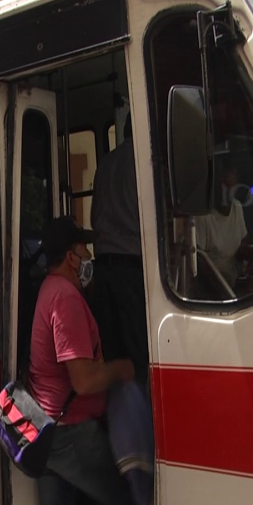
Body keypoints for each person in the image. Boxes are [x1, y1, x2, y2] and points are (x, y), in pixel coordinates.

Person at [29, 216, 138, 505]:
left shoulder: (51, 289)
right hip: (70, 434)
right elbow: (85, 380)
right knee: (126, 504)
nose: (89, 253)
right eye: (83, 247)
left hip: (49, 432)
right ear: (70, 256)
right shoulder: (65, 298)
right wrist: (123, 369)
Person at [91, 113, 150, 394]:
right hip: (132, 268)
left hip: (103, 268)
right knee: (139, 354)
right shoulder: (144, 160)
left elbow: (94, 217)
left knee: (113, 351)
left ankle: (118, 418)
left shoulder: (105, 164)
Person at [195, 163, 253, 287]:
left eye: (230, 186)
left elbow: (243, 241)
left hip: (235, 280)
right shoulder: (203, 217)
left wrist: (248, 253)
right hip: (215, 287)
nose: (226, 190)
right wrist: (218, 287)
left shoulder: (237, 207)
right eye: (223, 186)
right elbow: (199, 262)